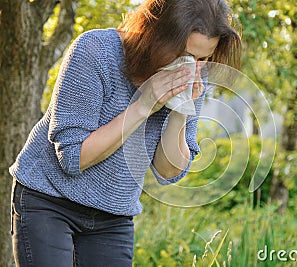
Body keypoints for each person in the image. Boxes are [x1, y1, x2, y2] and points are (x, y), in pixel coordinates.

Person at [9, 0, 241, 265]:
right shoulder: (96, 50)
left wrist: (180, 109)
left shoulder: (193, 75)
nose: (189, 67)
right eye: (183, 56)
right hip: (49, 200)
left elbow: (168, 172)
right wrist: (143, 105)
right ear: (156, 36)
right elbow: (73, 158)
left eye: (202, 59)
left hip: (113, 213)